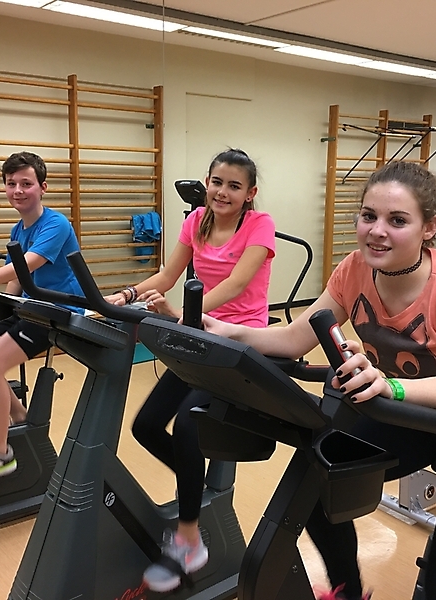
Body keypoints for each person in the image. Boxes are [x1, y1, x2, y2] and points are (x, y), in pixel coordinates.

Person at [203, 161, 436, 600]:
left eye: (397, 220)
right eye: (369, 216)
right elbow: (292, 339)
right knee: (317, 484)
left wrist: (389, 385)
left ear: (429, 227)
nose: (377, 231)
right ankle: (348, 594)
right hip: (414, 415)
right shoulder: (355, 269)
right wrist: (227, 331)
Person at [105, 148, 275, 592]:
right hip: (199, 335)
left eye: (234, 186)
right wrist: (125, 295)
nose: (223, 192)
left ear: (249, 193)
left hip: (240, 344)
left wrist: (186, 315)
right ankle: (194, 492)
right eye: (217, 182)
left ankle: (189, 538)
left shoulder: (259, 224)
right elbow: (167, 275)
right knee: (145, 426)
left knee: (187, 426)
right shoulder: (196, 220)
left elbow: (237, 284)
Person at [0, 151, 83, 485]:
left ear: (43, 187)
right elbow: (17, 280)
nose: (18, 190)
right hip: (30, 307)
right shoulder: (18, 228)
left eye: (26, 183)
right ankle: (21, 418)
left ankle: (0, 454)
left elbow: (29, 263)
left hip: (57, 310)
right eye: (11, 184)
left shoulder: (56, 224)